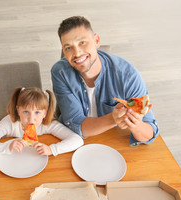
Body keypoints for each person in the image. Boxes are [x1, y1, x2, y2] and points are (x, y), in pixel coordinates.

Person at [51, 16, 159, 146]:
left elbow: (149, 133)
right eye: (68, 47)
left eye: (82, 43)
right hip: (73, 143)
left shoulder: (128, 76)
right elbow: (75, 124)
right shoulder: (60, 72)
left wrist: (135, 124)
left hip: (114, 142)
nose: (77, 53)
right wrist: (113, 119)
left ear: (96, 41)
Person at [0, 87, 83, 156]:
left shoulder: (47, 124)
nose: (31, 119)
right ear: (18, 110)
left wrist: (52, 149)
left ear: (45, 113)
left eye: (37, 113)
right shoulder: (10, 122)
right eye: (26, 112)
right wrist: (6, 147)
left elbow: (77, 140)